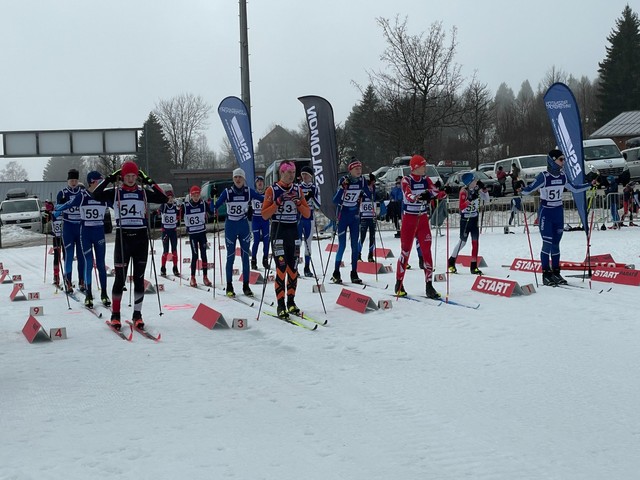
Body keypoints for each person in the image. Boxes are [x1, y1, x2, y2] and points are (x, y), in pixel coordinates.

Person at [91, 160, 168, 330]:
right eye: (128, 176)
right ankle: (116, 315)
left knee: (139, 279)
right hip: (123, 238)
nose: (131, 179)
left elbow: (163, 197)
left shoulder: (143, 193)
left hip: (141, 238)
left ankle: (137, 315)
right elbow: (95, 195)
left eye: (134, 176)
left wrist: (148, 180)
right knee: (120, 279)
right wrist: (109, 178)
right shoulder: (115, 192)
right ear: (122, 177)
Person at [521, 149, 594, 286]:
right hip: (546, 213)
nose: (563, 162)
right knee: (547, 243)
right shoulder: (544, 176)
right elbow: (529, 190)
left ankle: (556, 272)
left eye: (564, 159)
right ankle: (546, 274)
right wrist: (521, 189)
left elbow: (575, 188)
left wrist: (590, 184)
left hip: (558, 212)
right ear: (552, 160)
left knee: (556, 244)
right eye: (561, 159)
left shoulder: (562, 176)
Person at [261, 161, 311, 318]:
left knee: (293, 269)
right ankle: (281, 305)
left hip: (293, 232)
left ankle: (291, 302)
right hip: (278, 232)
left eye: (293, 172)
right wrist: (277, 203)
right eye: (289, 172)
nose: (292, 175)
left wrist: (298, 203)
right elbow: (264, 214)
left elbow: (307, 213)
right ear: (281, 173)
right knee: (281, 268)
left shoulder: (298, 189)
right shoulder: (272, 190)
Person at [54, 171, 111, 308]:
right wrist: (55, 210)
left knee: (101, 265)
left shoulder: (103, 196)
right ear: (92, 181)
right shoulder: (82, 195)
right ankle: (88, 294)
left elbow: (118, 203)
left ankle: (104, 293)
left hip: (99, 233)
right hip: (83, 232)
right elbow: (68, 204)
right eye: (99, 181)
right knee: (88, 262)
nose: (102, 183)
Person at [395, 155, 447, 298]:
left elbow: (436, 193)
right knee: (405, 252)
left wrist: (443, 192)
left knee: (427, 252)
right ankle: (399, 283)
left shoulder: (426, 180)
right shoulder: (407, 180)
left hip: (423, 219)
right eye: (423, 166)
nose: (425, 168)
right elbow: (408, 194)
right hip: (409, 220)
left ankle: (429, 285)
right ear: (416, 167)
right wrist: (420, 197)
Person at [211, 168, 264, 297]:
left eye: (240, 177)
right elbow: (214, 207)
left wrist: (274, 197)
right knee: (231, 256)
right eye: (236, 177)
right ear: (233, 179)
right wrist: (212, 201)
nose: (238, 179)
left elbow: (263, 199)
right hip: (231, 226)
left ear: (244, 179)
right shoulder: (227, 192)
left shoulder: (248, 191)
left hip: (243, 225)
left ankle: (246, 286)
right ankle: (229, 285)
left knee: (245, 256)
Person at [331, 158, 372, 284]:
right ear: (350, 170)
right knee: (342, 245)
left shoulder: (362, 180)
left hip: (354, 216)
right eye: (356, 169)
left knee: (355, 245)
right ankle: (336, 272)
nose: (359, 171)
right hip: (343, 215)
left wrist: (368, 189)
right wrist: (343, 188)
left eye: (360, 168)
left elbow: (369, 196)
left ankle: (354, 273)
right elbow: (335, 200)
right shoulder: (344, 180)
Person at [447, 172, 483, 275]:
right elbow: (461, 206)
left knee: (475, 242)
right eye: (474, 180)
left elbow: (487, 198)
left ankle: (473, 266)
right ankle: (451, 261)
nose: (476, 181)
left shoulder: (476, 189)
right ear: (470, 182)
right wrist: (469, 199)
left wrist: (483, 191)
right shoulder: (464, 191)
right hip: (465, 220)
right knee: (462, 242)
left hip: (474, 218)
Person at [56, 169, 86, 293]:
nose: (73, 183)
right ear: (67, 181)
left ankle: (82, 281)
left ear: (78, 181)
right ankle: (68, 281)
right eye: (71, 180)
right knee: (68, 256)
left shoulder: (83, 192)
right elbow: (57, 210)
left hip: (80, 227)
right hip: (68, 227)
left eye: (75, 180)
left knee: (82, 256)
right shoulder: (62, 193)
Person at [184, 186, 211, 287]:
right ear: (191, 195)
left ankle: (205, 276)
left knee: (204, 255)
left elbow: (211, 211)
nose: (196, 197)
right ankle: (192, 277)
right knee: (195, 255)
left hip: (202, 233)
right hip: (192, 235)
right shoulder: (186, 205)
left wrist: (213, 205)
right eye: (194, 195)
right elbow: (177, 213)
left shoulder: (203, 204)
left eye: (197, 195)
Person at [298, 166, 319, 276]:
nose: (304, 177)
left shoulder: (315, 188)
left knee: (308, 243)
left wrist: (312, 196)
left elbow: (318, 205)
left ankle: (307, 267)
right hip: (299, 217)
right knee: (297, 242)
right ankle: (294, 268)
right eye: (303, 175)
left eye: (306, 174)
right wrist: (304, 199)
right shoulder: (298, 187)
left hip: (309, 217)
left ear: (311, 176)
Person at [250, 176, 270, 270]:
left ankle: (265, 259)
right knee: (256, 240)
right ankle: (253, 261)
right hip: (256, 219)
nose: (260, 183)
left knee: (266, 240)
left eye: (261, 181)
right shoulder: (253, 193)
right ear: (255, 184)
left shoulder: (267, 193)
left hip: (265, 219)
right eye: (258, 182)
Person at [159, 190, 181, 277]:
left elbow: (179, 214)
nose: (170, 199)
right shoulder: (164, 206)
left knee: (174, 250)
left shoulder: (175, 206)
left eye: (172, 198)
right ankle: (163, 268)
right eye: (168, 198)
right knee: (166, 251)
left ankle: (175, 268)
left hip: (173, 231)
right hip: (165, 232)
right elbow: (159, 210)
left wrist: (180, 210)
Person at [358, 173, 377, 263]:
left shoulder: (374, 189)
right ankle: (358, 255)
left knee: (372, 237)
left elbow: (376, 198)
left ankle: (370, 255)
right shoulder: (363, 189)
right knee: (362, 236)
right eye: (373, 181)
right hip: (364, 216)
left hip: (372, 216)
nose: (374, 183)